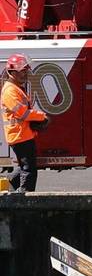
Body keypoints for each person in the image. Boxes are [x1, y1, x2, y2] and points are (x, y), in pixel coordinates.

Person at [3, 54, 47, 193]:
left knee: (25, 167)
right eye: (22, 71)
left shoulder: (15, 88)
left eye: (25, 70)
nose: (25, 74)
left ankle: (8, 184)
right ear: (12, 73)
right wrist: (42, 117)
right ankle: (25, 198)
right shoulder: (10, 91)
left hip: (22, 134)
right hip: (19, 135)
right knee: (29, 170)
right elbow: (22, 113)